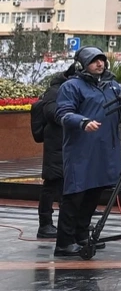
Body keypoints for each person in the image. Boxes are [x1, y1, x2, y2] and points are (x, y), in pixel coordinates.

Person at [54, 48, 121, 258]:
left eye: (102, 60)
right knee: (75, 195)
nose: (100, 64)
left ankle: (81, 236)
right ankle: (63, 243)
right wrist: (83, 122)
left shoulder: (112, 86)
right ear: (82, 64)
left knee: (93, 194)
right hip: (81, 151)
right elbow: (63, 113)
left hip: (105, 150)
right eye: (94, 61)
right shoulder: (71, 86)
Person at [31, 65, 73, 240]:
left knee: (62, 185)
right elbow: (52, 114)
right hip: (56, 145)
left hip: (64, 145)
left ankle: (64, 223)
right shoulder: (55, 92)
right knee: (52, 184)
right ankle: (46, 224)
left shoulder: (62, 90)